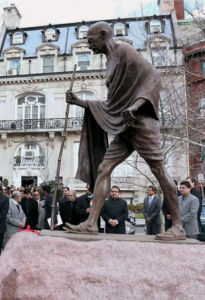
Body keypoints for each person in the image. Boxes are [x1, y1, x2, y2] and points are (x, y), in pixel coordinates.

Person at [65, 21, 185, 240]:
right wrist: (81, 102)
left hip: (141, 123)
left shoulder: (125, 51)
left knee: (159, 170)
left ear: (103, 35)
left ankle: (177, 226)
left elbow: (153, 78)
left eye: (91, 41)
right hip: (124, 127)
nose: (90, 46)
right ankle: (91, 224)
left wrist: (136, 106)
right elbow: (113, 104)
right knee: (104, 168)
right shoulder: (109, 61)